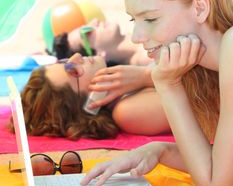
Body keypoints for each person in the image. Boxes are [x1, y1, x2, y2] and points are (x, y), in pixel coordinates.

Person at [81, 0, 233, 186]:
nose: (137, 36)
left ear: (199, 7)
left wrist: (167, 84)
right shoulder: (207, 72)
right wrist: (159, 151)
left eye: (150, 19)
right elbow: (226, 170)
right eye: (134, 19)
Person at [8, 52, 170, 139]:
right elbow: (193, 92)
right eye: (73, 70)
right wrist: (146, 76)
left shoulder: (131, 88)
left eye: (65, 61)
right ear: (90, 105)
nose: (77, 56)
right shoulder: (128, 112)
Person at [52, 19, 151, 66]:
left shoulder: (142, 33)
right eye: (87, 32)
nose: (94, 21)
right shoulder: (148, 57)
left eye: (86, 25)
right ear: (98, 55)